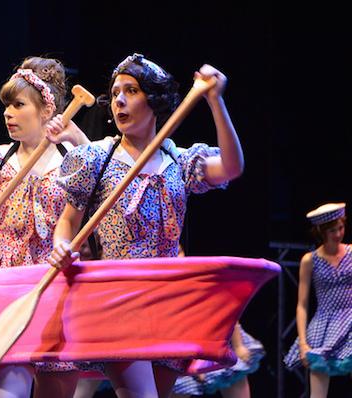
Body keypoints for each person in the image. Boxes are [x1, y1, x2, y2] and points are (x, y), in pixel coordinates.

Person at [48, 52, 244, 398]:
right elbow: (67, 223)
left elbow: (231, 167)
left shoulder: (178, 162)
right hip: (117, 299)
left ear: (154, 101)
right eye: (116, 92)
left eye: (132, 91)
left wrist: (215, 101)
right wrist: (62, 245)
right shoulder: (96, 159)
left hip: (167, 302)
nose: (119, 100)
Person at [0, 56, 89, 398]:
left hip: (59, 293)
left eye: (18, 105)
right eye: (6, 106)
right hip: (6, 291)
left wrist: (75, 137)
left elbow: (105, 177)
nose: (7, 113)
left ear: (46, 111)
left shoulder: (75, 164)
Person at [284, 203, 352, 397]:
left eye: (341, 228)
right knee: (318, 392)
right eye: (332, 230)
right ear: (321, 231)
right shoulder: (310, 260)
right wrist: (304, 343)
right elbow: (302, 305)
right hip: (324, 325)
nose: (338, 234)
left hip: (350, 320)